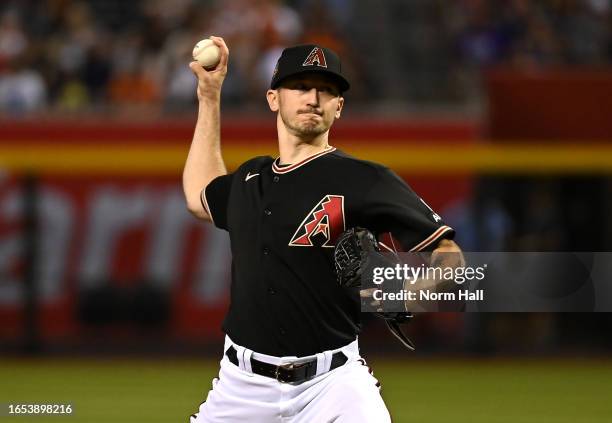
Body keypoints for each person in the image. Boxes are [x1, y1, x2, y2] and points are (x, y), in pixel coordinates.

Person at [183, 36, 462, 422]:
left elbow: (450, 259)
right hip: (240, 389)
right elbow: (200, 198)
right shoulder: (250, 178)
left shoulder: (366, 180)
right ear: (273, 99)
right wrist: (209, 96)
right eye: (300, 86)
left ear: (339, 107)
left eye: (327, 90)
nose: (313, 97)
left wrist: (409, 292)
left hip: (333, 386)